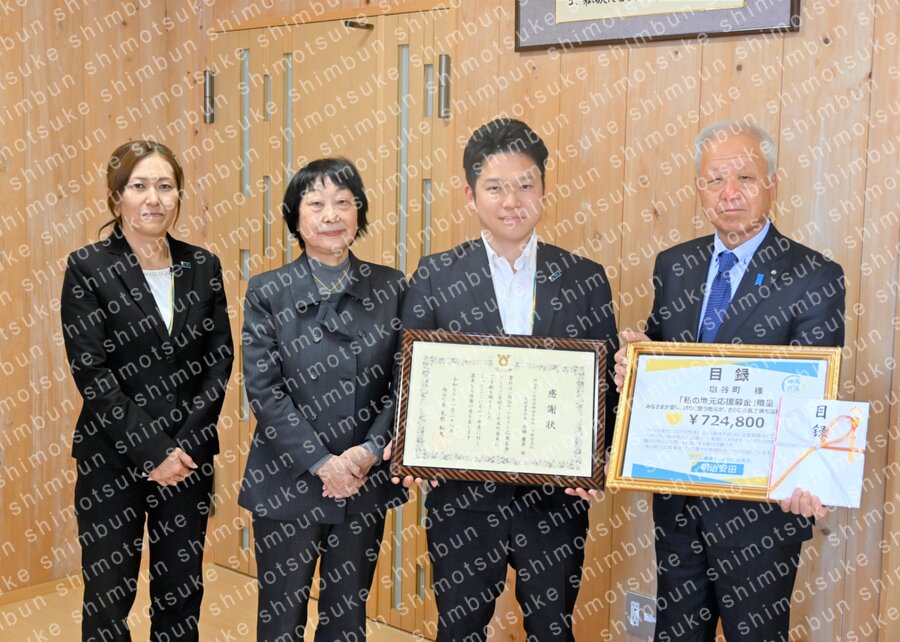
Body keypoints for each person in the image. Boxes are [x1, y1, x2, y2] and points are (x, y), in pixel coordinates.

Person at [613, 119, 845, 642]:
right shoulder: (675, 266)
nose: (729, 192)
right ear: (699, 188)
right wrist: (634, 366)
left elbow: (815, 394)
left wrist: (810, 472)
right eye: (715, 179)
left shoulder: (813, 275)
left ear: (772, 183)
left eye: (745, 177)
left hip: (762, 514)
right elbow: (660, 359)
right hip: (679, 503)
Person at [393, 118, 619, 642]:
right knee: (459, 629)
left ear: (543, 189)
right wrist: (412, 448)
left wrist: (594, 459)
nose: (512, 200)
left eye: (525, 185)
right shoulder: (436, 275)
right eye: (495, 187)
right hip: (462, 499)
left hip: (555, 498)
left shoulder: (584, 277)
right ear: (470, 195)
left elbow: (604, 386)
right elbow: (410, 381)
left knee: (552, 628)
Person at [61, 140, 234, 642]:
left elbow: (218, 361)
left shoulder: (202, 264)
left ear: (178, 195)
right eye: (139, 186)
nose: (154, 198)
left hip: (188, 457)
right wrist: (153, 450)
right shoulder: (88, 266)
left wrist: (184, 447)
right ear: (116, 197)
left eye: (164, 186)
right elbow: (92, 371)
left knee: (181, 593)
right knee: (108, 596)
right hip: (111, 459)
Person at [239, 158, 406, 642]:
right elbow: (264, 390)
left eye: (343, 202)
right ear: (295, 217)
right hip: (287, 480)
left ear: (359, 213)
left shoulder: (391, 286)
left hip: (363, 480)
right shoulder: (268, 291)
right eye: (316, 203)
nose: (331, 215)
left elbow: (405, 381)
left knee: (347, 620)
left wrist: (367, 453)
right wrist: (322, 463)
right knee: (280, 621)